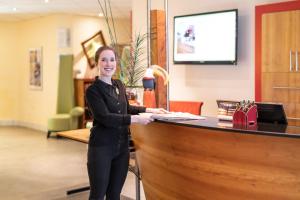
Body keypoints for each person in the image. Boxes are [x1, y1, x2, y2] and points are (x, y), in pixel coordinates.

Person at [85, 46, 167, 200]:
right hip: (101, 148)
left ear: (116, 62)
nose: (108, 64)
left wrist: (150, 110)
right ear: (97, 63)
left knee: (114, 195)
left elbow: (127, 108)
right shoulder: (93, 91)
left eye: (111, 59)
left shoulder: (119, 85)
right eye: (103, 60)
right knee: (97, 195)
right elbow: (105, 118)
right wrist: (136, 119)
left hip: (121, 149)